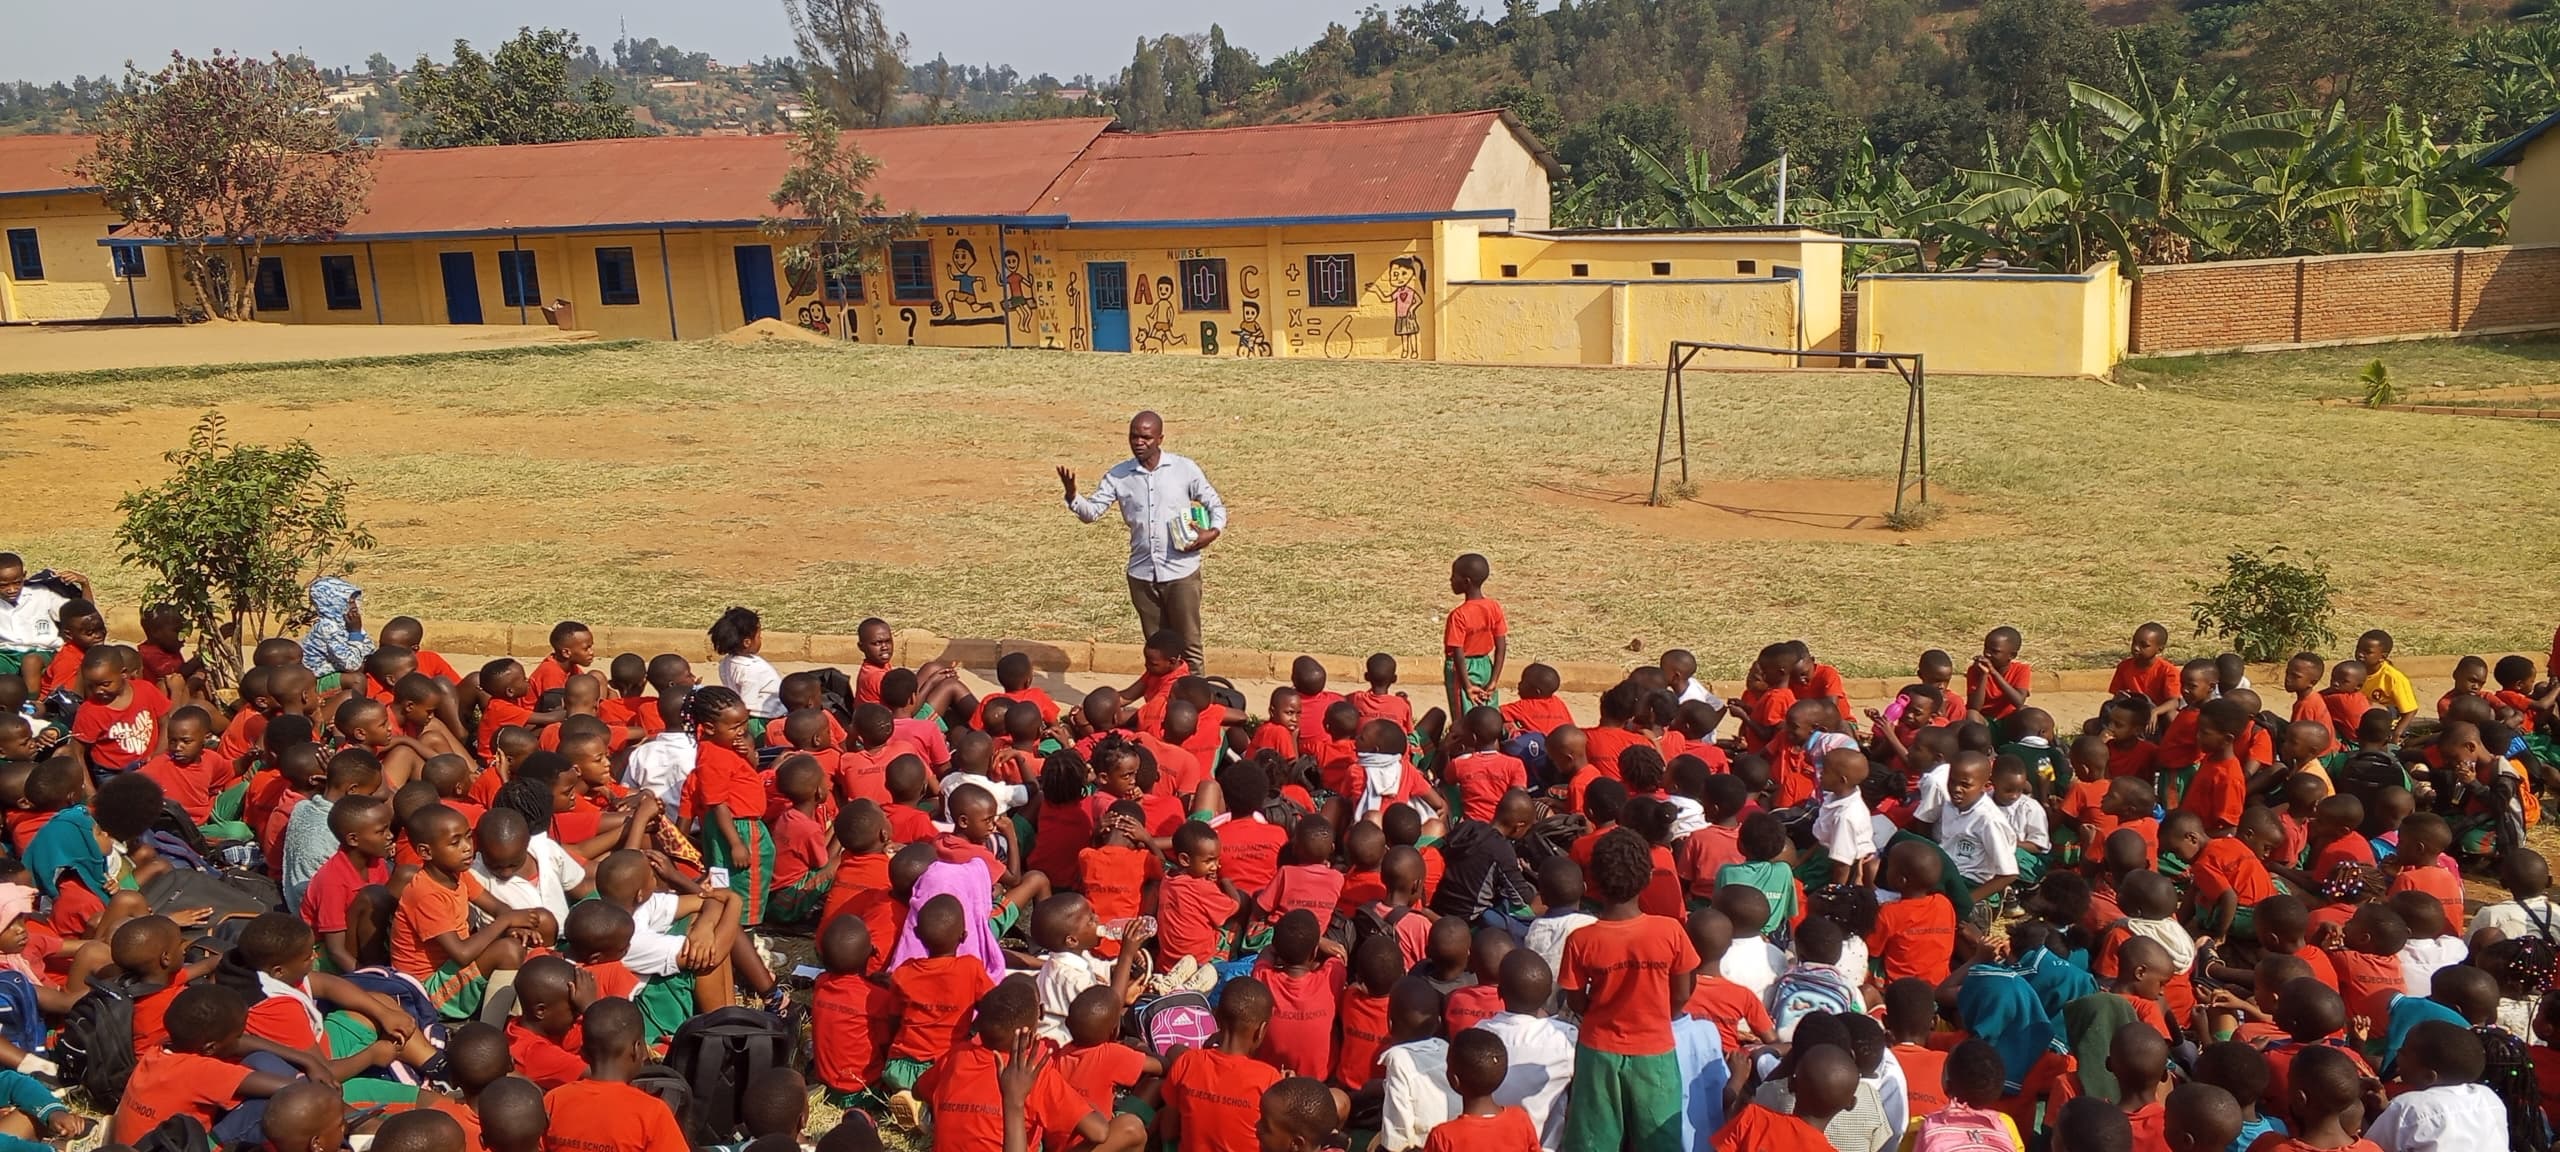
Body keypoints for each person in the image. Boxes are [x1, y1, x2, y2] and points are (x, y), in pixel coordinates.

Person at [1059, 410, 1227, 671]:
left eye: (1146, 437)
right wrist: (1072, 496)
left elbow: (1215, 504)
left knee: (1189, 646)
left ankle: (1194, 706)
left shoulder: (1184, 469)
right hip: (1142, 575)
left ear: (1160, 438)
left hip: (1181, 572)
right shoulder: (1118, 476)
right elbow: (1091, 513)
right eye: (1134, 436)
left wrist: (1212, 532)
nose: (1139, 442)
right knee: (1157, 650)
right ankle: (1162, 705)